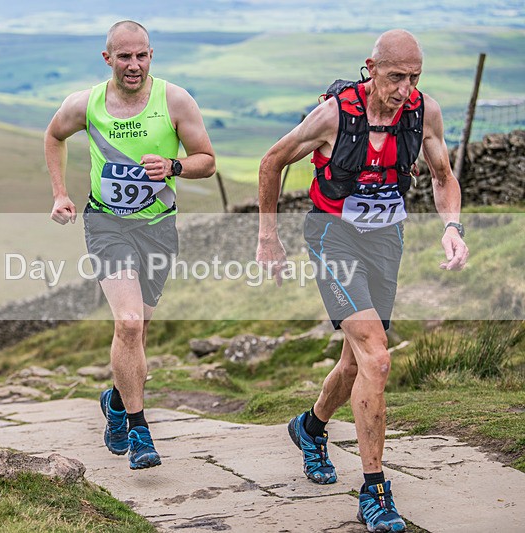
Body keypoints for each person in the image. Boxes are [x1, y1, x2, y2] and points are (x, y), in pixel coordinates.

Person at [255, 30, 468, 532]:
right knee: (377, 353)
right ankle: (374, 491)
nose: (404, 88)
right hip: (333, 236)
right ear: (370, 67)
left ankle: (310, 428)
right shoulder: (334, 115)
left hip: (385, 240)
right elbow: (272, 161)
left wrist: (451, 228)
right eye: (396, 76)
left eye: (414, 77)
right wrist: (268, 236)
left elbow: (442, 176)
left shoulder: (423, 112)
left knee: (356, 363)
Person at [44, 20, 216, 469]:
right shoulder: (85, 104)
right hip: (107, 224)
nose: (133, 65)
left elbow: (208, 161)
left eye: (141, 55)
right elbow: (53, 136)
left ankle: (116, 401)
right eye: (124, 57)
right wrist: (61, 193)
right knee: (130, 323)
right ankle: (140, 430)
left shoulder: (175, 101)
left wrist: (175, 167)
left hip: (158, 227)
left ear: (151, 55)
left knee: (139, 330)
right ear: (108, 59)